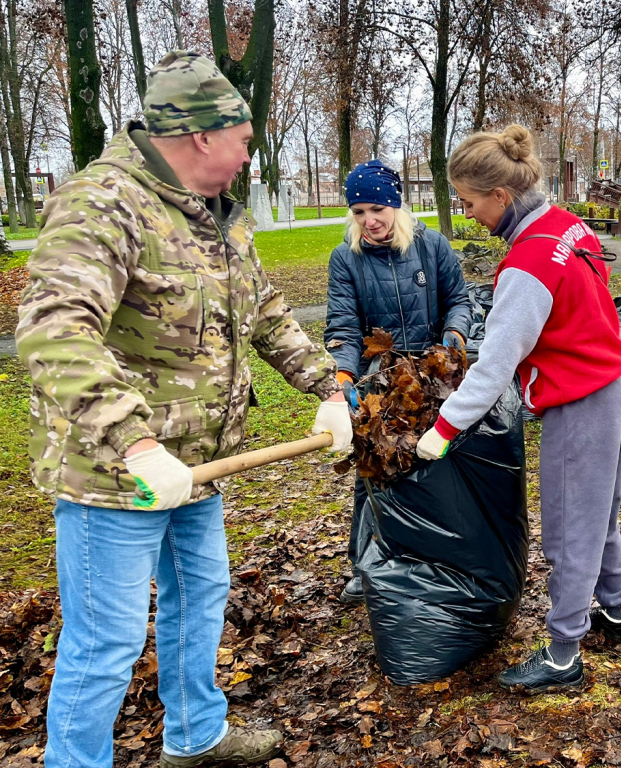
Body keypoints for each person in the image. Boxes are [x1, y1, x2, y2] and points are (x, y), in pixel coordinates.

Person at [16, 51, 352, 768]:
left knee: (200, 601)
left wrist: (328, 388)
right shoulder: (104, 202)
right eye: (244, 141)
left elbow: (264, 312)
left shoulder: (220, 218)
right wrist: (136, 443)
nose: (248, 156)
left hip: (200, 466)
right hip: (115, 475)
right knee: (106, 641)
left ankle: (196, 737)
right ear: (204, 135)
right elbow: (54, 329)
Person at [415, 125, 621, 694]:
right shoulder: (567, 224)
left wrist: (443, 428)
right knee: (600, 512)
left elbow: (494, 366)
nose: (468, 214)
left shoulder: (527, 263)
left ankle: (564, 655)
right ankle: (617, 610)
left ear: (500, 195)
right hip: (616, 380)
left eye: (469, 202)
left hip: (583, 401)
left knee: (569, 528)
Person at [324, 159, 472, 602]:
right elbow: (344, 326)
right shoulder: (346, 259)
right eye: (358, 212)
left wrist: (454, 334)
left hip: (432, 377)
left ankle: (435, 556)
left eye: (377, 209)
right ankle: (366, 565)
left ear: (395, 206)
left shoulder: (430, 245)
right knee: (375, 470)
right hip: (380, 382)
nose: (369, 221)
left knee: (434, 465)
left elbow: (459, 299)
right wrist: (344, 373)